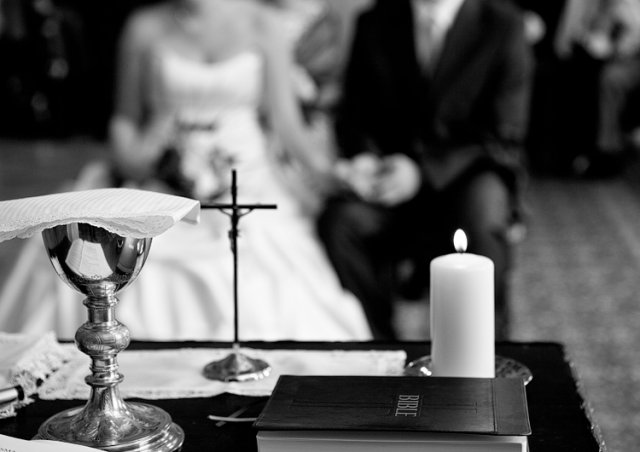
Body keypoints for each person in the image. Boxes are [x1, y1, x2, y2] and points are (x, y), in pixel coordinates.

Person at [0, 0, 372, 341]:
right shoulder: (145, 27)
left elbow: (288, 128)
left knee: (264, 269)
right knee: (134, 260)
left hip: (250, 185)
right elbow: (125, 119)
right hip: (162, 181)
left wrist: (337, 173)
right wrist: (140, 152)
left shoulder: (265, 24)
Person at [317, 0, 533, 340]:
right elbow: (354, 115)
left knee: (482, 211)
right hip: (391, 182)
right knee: (340, 223)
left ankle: (488, 344)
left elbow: (504, 133)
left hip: (466, 177)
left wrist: (420, 172)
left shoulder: (503, 24)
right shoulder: (374, 21)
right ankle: (382, 342)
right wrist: (365, 159)